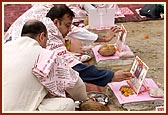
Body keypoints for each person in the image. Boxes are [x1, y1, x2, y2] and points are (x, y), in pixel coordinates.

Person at [4, 4, 134, 87]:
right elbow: (74, 68)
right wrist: (111, 76)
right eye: (67, 25)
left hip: (8, 49)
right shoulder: (49, 36)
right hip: (16, 66)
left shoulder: (48, 17)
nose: (68, 30)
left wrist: (104, 38)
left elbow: (72, 29)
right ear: (56, 22)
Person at [3, 19, 87, 111]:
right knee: (68, 104)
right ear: (42, 36)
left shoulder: (5, 47)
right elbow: (77, 85)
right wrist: (83, 99)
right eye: (46, 40)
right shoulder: (45, 55)